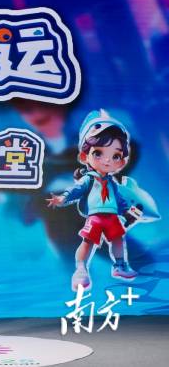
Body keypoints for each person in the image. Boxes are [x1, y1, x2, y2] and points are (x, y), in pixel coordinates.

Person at [47, 109, 149, 292]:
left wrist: (128, 213)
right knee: (87, 243)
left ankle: (120, 265)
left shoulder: (112, 182)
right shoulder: (87, 178)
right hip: (92, 218)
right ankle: (80, 269)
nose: (107, 160)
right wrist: (63, 199)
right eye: (99, 153)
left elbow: (119, 200)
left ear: (121, 161)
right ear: (84, 156)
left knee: (119, 242)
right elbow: (75, 191)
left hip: (111, 218)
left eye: (115, 156)